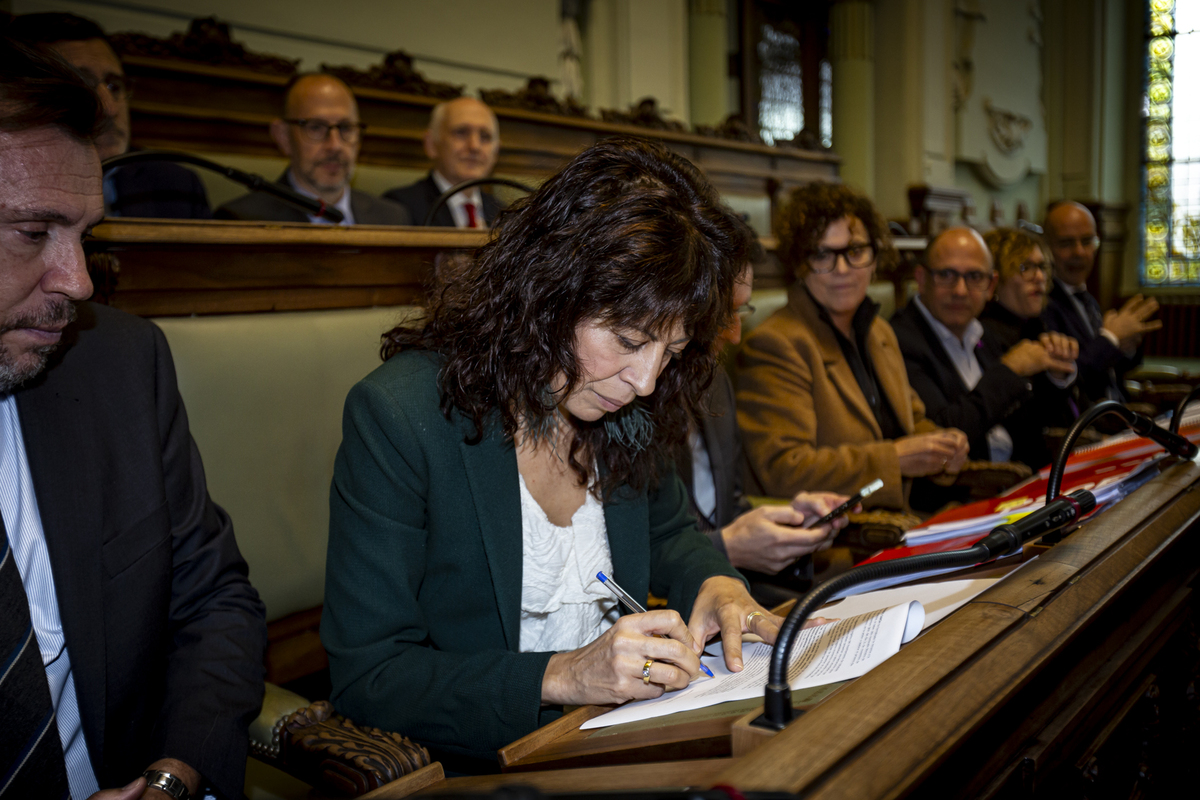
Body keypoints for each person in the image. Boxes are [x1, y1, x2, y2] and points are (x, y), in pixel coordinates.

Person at [322, 137, 799, 772]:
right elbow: (371, 677)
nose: (648, 381)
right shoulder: (400, 416)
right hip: (488, 765)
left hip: (625, 742)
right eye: (629, 340)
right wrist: (567, 675)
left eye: (673, 351)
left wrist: (714, 585)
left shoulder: (625, 403)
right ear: (550, 294)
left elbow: (671, 532)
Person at [0, 38, 266, 800]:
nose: (78, 282)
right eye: (32, 233)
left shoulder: (117, 363)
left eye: (84, 235)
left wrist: (175, 774)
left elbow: (216, 602)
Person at [735, 182, 969, 513]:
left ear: (875, 259)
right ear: (800, 265)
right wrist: (894, 460)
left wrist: (943, 445)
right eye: (822, 254)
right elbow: (783, 471)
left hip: (905, 522)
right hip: (837, 547)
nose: (842, 270)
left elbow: (912, 422)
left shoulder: (878, 331)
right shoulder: (776, 344)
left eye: (855, 251)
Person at [681, 257, 851, 595]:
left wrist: (788, 522)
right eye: (724, 314)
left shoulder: (714, 381)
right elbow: (632, 558)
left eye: (742, 312)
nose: (735, 335)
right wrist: (727, 546)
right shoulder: (625, 392)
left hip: (730, 591)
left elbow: (728, 509)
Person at [891, 227, 1078, 470]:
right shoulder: (899, 341)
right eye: (946, 275)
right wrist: (1008, 371)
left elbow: (1030, 423)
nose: (960, 290)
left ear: (991, 286)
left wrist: (1056, 376)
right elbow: (943, 433)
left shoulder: (982, 334)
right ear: (921, 279)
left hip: (1020, 480)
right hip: (965, 492)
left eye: (974, 277)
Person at [6, 11, 212, 219]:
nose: (109, 109)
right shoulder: (9, 180)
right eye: (82, 85)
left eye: (114, 86)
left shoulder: (176, 186)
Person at [215, 73, 410, 225]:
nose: (335, 145)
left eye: (345, 128)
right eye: (316, 127)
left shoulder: (393, 217)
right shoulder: (243, 220)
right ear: (283, 137)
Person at [1041, 201, 1160, 404]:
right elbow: (1072, 375)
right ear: (1048, 248)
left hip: (1120, 412)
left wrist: (1126, 345)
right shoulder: (1044, 307)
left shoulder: (1088, 299)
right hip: (1089, 426)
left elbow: (1110, 366)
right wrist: (1111, 338)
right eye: (1066, 243)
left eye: (1087, 241)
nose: (1079, 252)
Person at [384, 97, 501, 227]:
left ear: (496, 151)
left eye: (485, 136)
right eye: (461, 132)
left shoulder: (505, 214)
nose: (474, 146)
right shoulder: (400, 207)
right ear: (432, 144)